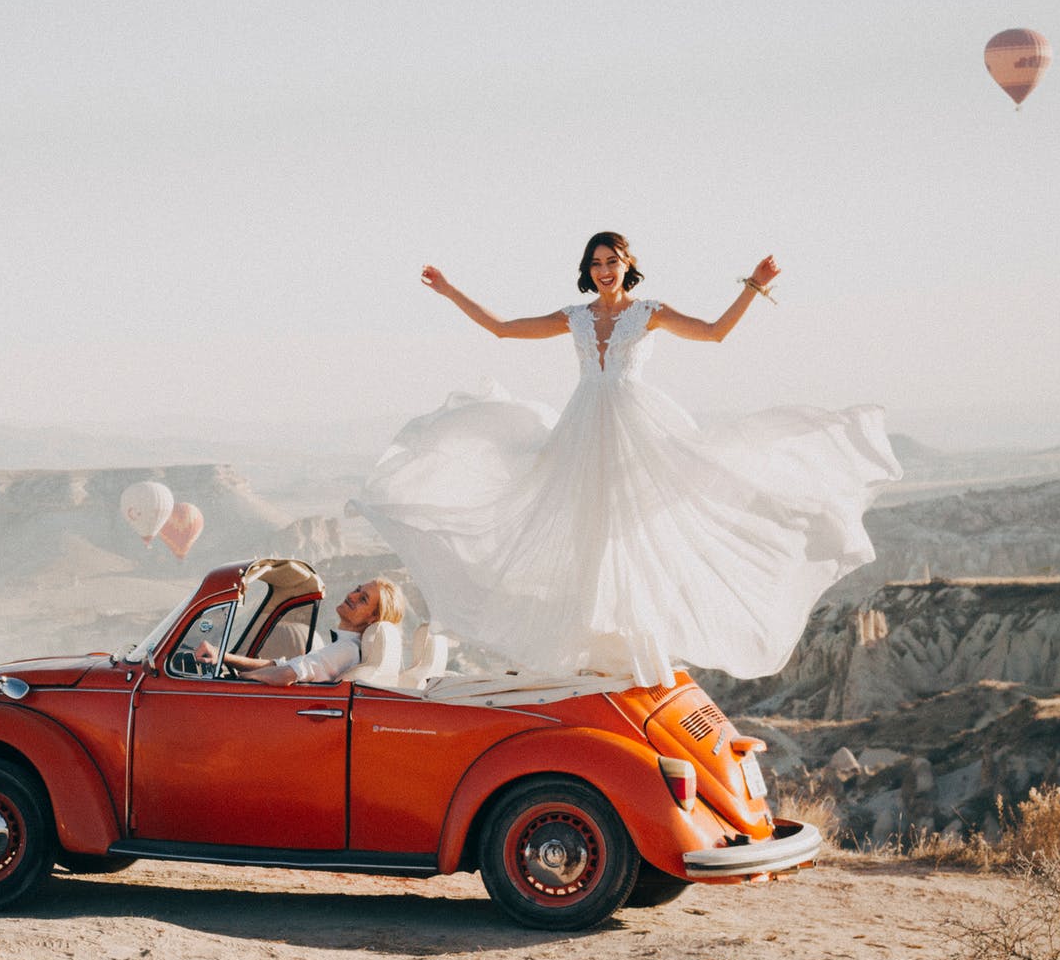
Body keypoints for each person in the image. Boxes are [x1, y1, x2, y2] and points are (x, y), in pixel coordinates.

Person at [348, 231, 901, 691]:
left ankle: (636, 648)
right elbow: (503, 329)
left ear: (628, 265)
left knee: (633, 538)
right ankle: (590, 652)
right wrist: (449, 290)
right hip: (583, 432)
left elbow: (714, 333)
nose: (604, 269)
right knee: (580, 535)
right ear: (588, 270)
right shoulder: (576, 317)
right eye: (596, 262)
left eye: (612, 261)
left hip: (636, 431)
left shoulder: (648, 313)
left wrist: (755, 286)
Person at [197, 579, 405, 686]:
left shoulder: (346, 650)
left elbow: (287, 674)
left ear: (373, 619)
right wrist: (223, 657)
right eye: (358, 589)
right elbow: (283, 666)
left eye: (363, 599)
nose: (352, 595)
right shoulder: (346, 649)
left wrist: (240, 679)